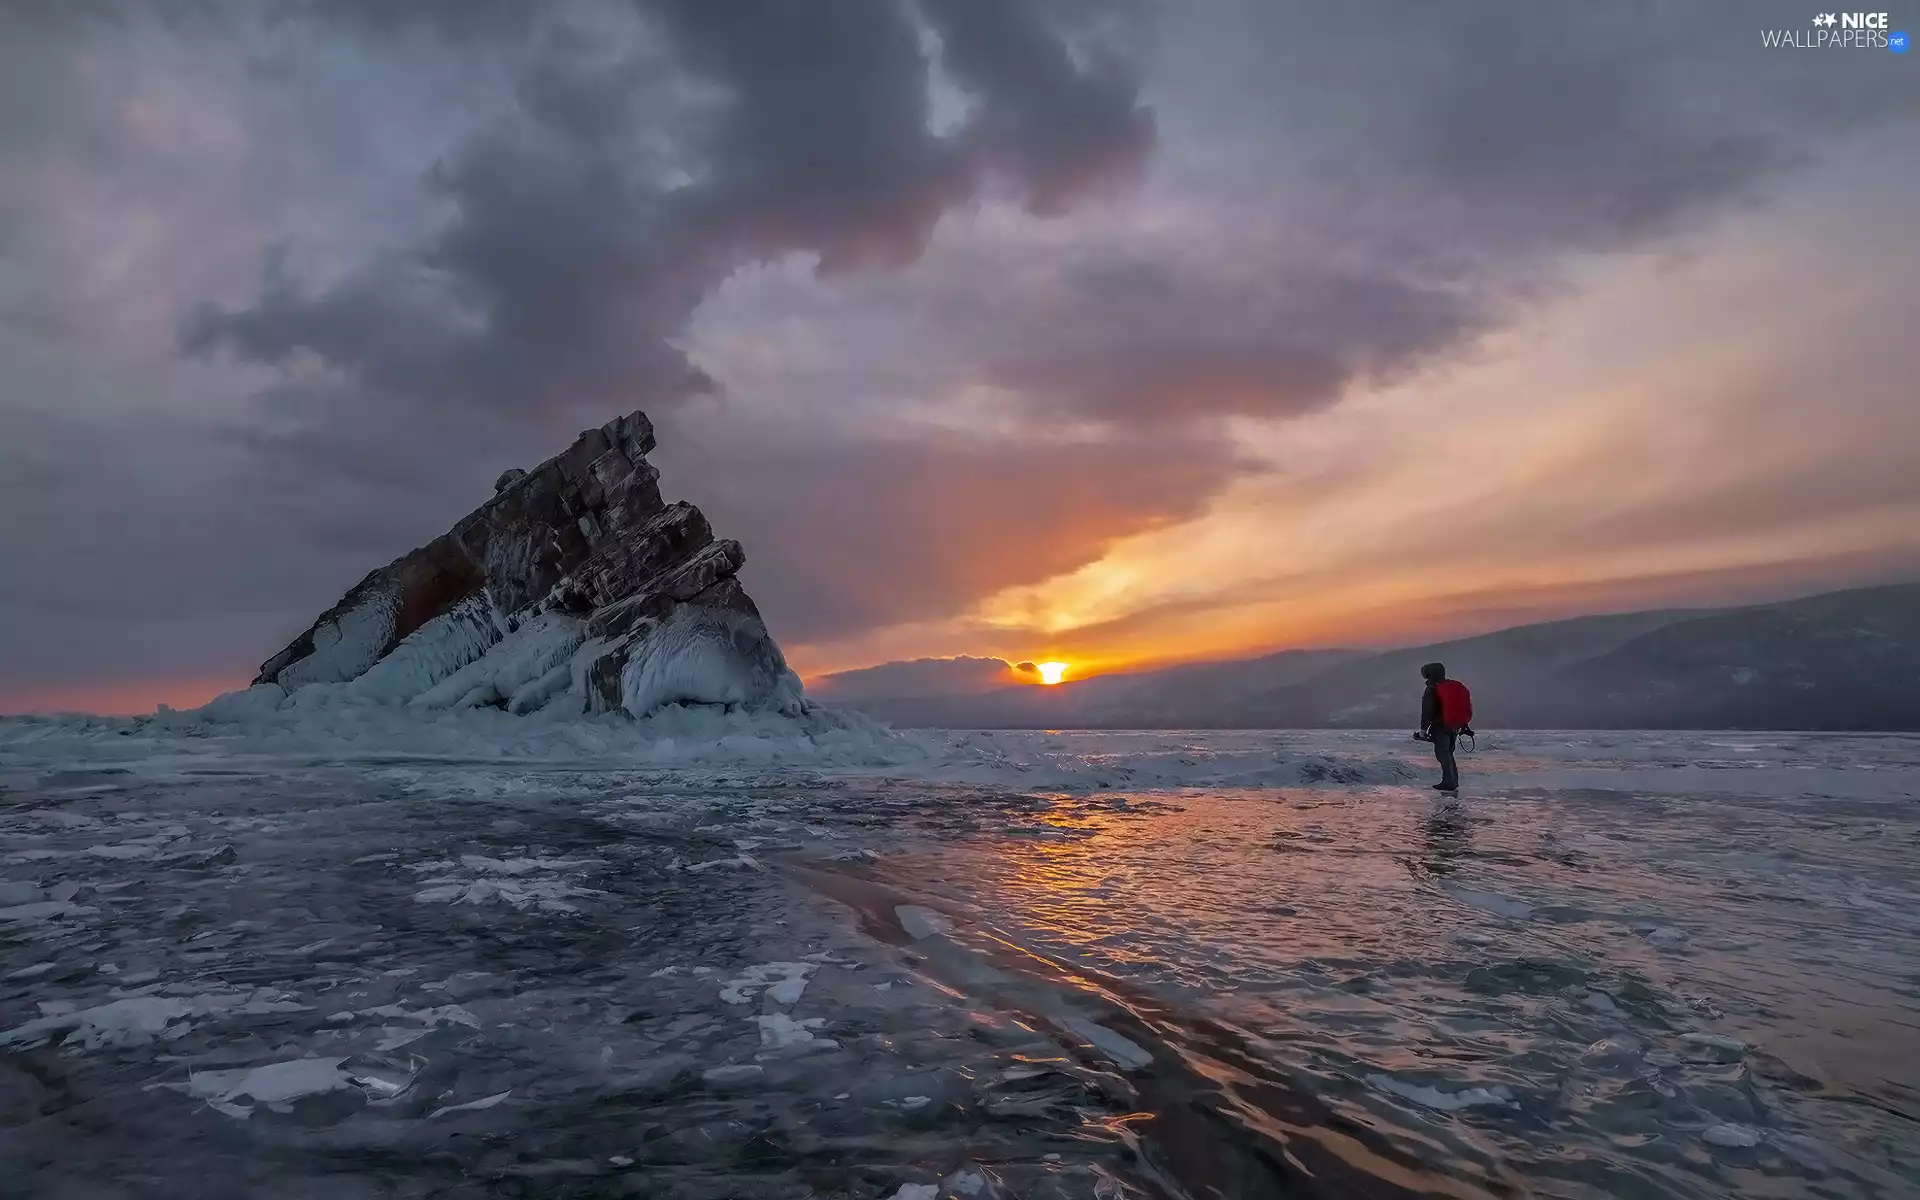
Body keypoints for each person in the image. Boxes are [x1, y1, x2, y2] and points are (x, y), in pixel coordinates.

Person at [1418, 662, 1472, 793]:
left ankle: (1448, 782)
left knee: (1442, 754)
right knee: (1449, 753)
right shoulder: (1450, 686)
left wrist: (1423, 729)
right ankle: (1453, 781)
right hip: (1454, 726)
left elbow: (1427, 709)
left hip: (1440, 725)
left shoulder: (1432, 689)